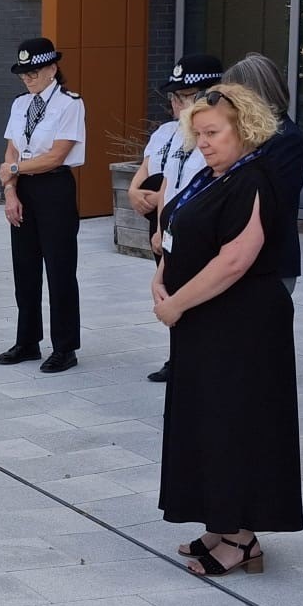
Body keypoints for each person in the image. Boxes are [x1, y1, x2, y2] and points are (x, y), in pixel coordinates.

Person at [154, 84, 303, 575]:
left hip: (241, 324)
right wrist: (162, 273)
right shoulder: (211, 176)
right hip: (205, 322)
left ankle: (241, 539)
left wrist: (176, 302)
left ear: (245, 128)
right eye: (198, 134)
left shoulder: (254, 179)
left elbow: (236, 260)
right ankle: (219, 523)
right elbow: (176, 231)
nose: (204, 143)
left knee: (233, 424)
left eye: (213, 133)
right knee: (205, 422)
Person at [0, 38, 86, 374]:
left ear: (52, 68)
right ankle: (27, 340)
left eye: (33, 71)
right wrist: (10, 192)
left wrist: (15, 170)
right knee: (25, 268)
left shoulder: (69, 104)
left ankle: (65, 346)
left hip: (54, 188)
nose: (27, 78)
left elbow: (56, 155)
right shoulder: (20, 104)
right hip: (23, 189)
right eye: (23, 73)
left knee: (60, 268)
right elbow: (11, 151)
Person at [132, 54, 218, 383]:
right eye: (174, 97)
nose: (176, 104)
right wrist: (159, 228)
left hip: (197, 230)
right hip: (169, 228)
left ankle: (198, 359)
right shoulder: (175, 134)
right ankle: (179, 356)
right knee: (172, 292)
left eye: (183, 96)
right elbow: (167, 179)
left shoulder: (214, 137)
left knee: (197, 296)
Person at [223, 52, 303, 293]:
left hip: (269, 265)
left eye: (233, 98)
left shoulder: (285, 139)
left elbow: (269, 202)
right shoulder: (247, 135)